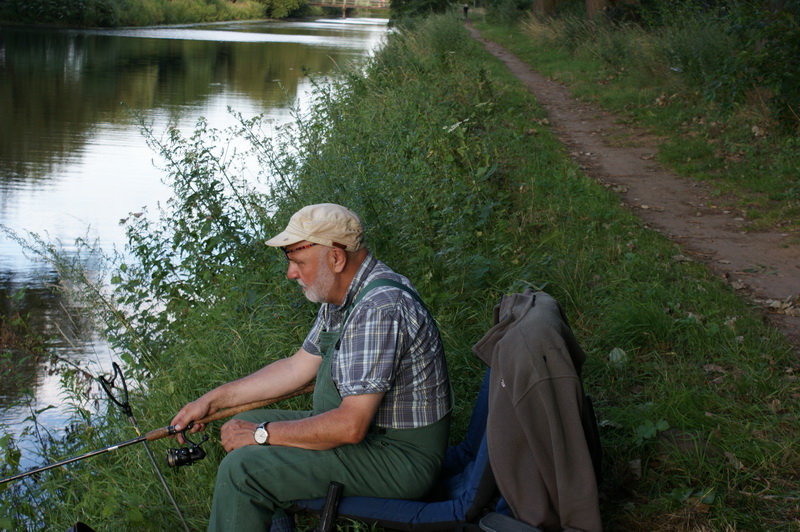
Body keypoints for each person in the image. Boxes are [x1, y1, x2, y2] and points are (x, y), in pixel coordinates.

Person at [170, 203, 452, 532]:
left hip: (398, 459)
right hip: (373, 438)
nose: (291, 273)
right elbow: (296, 368)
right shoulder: (343, 295)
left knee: (242, 469)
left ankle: (258, 493)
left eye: (299, 262)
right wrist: (211, 401)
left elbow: (350, 426)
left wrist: (262, 435)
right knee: (245, 421)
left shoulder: (379, 307)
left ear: (336, 258)